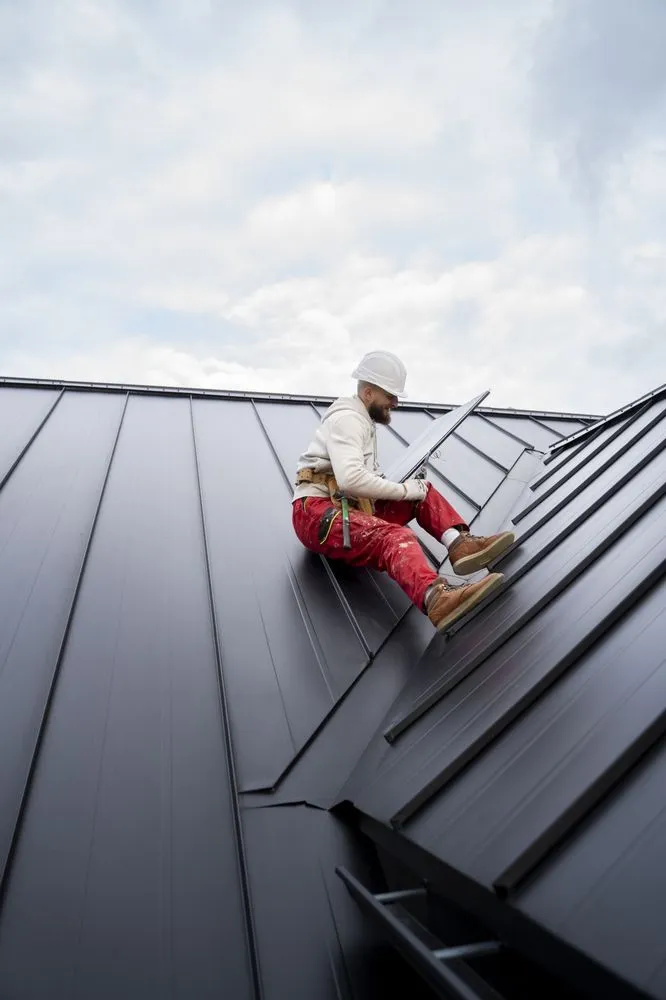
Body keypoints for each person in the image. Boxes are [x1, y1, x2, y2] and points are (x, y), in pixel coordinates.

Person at [292, 350, 515, 632]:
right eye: (391, 395)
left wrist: (411, 490)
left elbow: (359, 483)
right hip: (316, 513)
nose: (395, 403)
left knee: (422, 491)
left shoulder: (363, 422)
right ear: (369, 392)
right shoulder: (348, 419)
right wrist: (402, 489)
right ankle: (437, 599)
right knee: (395, 536)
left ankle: (459, 544)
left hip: (345, 506)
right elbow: (350, 480)